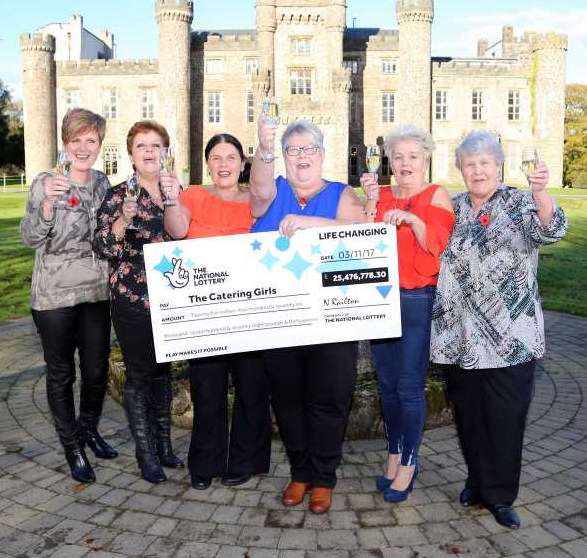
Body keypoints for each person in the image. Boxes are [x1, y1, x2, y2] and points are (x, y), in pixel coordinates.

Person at [431, 131, 567, 530]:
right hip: (458, 337)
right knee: (469, 416)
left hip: (511, 338)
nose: (477, 171)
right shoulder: (451, 208)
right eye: (470, 164)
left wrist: (541, 192)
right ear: (460, 169)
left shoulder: (521, 203)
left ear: (499, 166)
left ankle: (501, 495)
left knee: (505, 419)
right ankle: (477, 481)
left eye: (485, 163)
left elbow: (553, 229)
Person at [249, 114, 366, 514]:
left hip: (333, 318)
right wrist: (264, 147)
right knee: (288, 399)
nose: (301, 156)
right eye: (292, 150)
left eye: (309, 149)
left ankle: (323, 477)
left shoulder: (343, 194)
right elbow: (259, 185)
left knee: (329, 398)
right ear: (283, 157)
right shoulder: (272, 192)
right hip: (280, 318)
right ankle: (300, 471)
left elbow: (361, 234)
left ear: (321, 154)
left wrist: (309, 223)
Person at [161, 134, 272, 491]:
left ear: (243, 163)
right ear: (207, 163)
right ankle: (205, 463)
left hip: (250, 311)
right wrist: (169, 199)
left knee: (251, 389)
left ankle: (245, 460)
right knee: (207, 390)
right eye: (216, 157)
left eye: (231, 157)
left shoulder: (257, 203)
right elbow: (177, 231)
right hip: (205, 315)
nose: (224, 164)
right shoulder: (192, 195)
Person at [20, 108, 117, 484]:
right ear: (65, 144)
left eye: (90, 140)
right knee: (62, 373)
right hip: (54, 295)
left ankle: (89, 429)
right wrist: (46, 205)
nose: (83, 147)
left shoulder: (102, 183)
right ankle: (72, 445)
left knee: (95, 371)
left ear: (99, 144)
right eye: (75, 140)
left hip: (95, 290)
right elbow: (29, 238)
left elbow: (108, 235)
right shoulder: (46, 182)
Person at [359, 124, 455, 503]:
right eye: (398, 157)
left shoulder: (436, 195)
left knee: (409, 387)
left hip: (416, 297)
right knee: (386, 385)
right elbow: (360, 241)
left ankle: (409, 464)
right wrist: (369, 202)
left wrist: (413, 220)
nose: (405, 163)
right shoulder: (379, 195)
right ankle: (394, 453)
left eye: (413, 156)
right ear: (388, 161)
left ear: (426, 159)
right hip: (380, 298)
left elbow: (438, 246)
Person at [93, 121, 182, 484]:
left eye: (156, 145)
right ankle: (146, 454)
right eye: (142, 145)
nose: (149, 152)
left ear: (165, 152)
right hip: (133, 298)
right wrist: (122, 220)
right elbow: (103, 246)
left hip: (172, 298)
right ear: (131, 154)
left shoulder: (175, 191)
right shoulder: (117, 197)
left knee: (164, 373)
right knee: (140, 374)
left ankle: (164, 446)